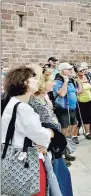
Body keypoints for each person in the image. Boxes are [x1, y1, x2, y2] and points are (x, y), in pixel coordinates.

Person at [2, 66, 54, 195]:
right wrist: (50, 132)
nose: (37, 81)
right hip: (27, 162)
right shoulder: (23, 109)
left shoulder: (12, 103)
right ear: (25, 82)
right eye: (33, 78)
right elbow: (40, 136)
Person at [28, 65, 73, 195]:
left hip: (54, 146)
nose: (53, 83)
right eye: (50, 81)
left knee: (63, 180)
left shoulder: (44, 98)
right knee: (56, 183)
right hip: (49, 148)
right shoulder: (33, 101)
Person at [53, 63, 82, 162]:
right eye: (68, 69)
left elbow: (79, 92)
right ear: (62, 71)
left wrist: (78, 81)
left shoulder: (70, 80)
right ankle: (60, 156)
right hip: (63, 110)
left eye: (71, 69)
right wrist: (65, 81)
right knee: (63, 133)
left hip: (72, 109)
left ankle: (66, 152)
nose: (71, 71)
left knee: (69, 132)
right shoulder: (58, 81)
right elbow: (62, 93)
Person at [76, 64, 91, 140]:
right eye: (80, 71)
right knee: (78, 118)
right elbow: (77, 91)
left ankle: (87, 132)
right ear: (76, 72)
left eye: (83, 70)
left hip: (89, 100)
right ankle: (75, 134)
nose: (83, 72)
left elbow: (90, 88)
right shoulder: (75, 80)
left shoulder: (88, 77)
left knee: (88, 117)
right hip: (80, 101)